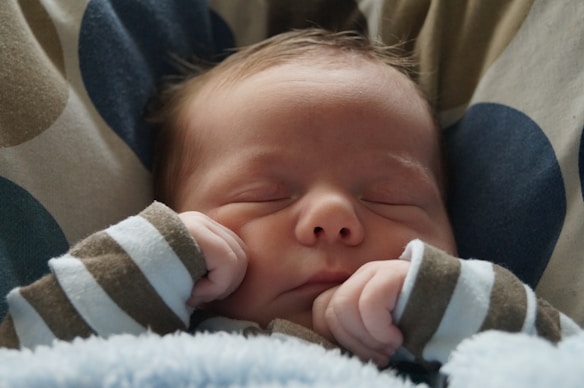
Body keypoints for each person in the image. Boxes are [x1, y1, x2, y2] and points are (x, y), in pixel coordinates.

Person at [0, 29, 579, 368]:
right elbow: (23, 362)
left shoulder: (451, 348)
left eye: (391, 197)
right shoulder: (150, 337)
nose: (333, 217)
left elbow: (562, 367)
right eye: (264, 195)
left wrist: (442, 299)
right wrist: (152, 262)